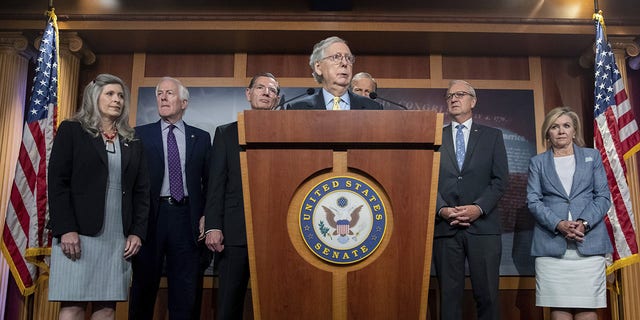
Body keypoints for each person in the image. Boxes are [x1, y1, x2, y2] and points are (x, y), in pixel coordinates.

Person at [48, 74, 150, 320]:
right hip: (78, 233)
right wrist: (66, 229)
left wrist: (137, 232)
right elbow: (57, 183)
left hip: (118, 237)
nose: (117, 100)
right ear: (95, 97)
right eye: (111, 94)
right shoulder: (72, 130)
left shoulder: (132, 140)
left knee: (107, 308)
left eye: (121, 96)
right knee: (73, 307)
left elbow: (141, 191)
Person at [129, 77, 211, 320]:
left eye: (169, 93)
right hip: (150, 218)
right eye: (159, 93)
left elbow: (210, 183)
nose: (163, 97)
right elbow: (131, 182)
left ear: (184, 102)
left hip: (186, 218)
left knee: (185, 293)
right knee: (143, 289)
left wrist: (207, 214)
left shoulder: (202, 137)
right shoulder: (139, 135)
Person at [204, 73, 280, 320]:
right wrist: (213, 225)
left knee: (275, 303)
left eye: (271, 90)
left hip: (276, 234)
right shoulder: (226, 133)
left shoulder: (286, 133)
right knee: (228, 304)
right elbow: (216, 184)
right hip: (234, 233)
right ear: (249, 94)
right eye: (260, 88)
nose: (266, 93)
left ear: (277, 99)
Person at [433, 80, 509, 320]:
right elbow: (427, 178)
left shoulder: (492, 136)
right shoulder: (436, 135)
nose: (454, 99)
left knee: (487, 296)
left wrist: (478, 208)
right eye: (449, 96)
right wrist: (442, 209)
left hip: (483, 229)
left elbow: (500, 180)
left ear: (473, 101)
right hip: (446, 228)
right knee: (448, 298)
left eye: (460, 94)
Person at [526, 107, 611, 320]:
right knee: (559, 308)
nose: (561, 131)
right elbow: (533, 201)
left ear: (574, 131)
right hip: (552, 245)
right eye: (555, 127)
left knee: (587, 308)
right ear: (548, 133)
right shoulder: (537, 162)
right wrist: (558, 224)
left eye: (566, 126)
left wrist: (583, 222)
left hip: (588, 243)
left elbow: (602, 197)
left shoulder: (592, 157)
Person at [288, 36, 382, 110]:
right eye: (336, 57)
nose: (345, 63)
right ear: (318, 67)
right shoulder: (298, 108)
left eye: (348, 58)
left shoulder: (373, 108)